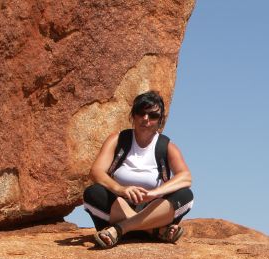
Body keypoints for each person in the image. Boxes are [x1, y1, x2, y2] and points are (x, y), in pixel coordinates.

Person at [83, 90, 194, 248]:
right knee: (92, 193)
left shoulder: (166, 146)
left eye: (153, 116)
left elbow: (186, 177)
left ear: (160, 120)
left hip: (152, 209)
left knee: (186, 195)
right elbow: (96, 172)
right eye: (141, 113)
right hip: (120, 207)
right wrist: (120, 189)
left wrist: (154, 193)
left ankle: (121, 229)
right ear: (133, 115)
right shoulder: (118, 140)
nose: (146, 119)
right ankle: (153, 230)